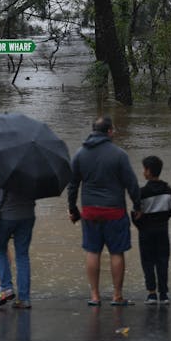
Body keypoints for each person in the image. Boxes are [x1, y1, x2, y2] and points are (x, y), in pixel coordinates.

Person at [67, 115, 141, 306]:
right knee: (116, 253)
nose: (114, 133)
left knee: (92, 252)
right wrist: (137, 206)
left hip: (90, 211)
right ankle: (117, 296)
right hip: (114, 211)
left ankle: (94, 296)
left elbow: (73, 185)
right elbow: (131, 184)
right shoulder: (119, 155)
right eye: (113, 130)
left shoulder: (80, 154)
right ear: (109, 132)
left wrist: (73, 209)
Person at [133, 156, 171, 305]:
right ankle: (163, 294)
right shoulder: (168, 190)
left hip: (146, 232)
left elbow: (136, 214)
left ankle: (151, 293)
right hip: (163, 230)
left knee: (148, 261)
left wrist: (141, 226)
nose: (143, 171)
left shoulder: (141, 192)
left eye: (144, 169)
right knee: (163, 261)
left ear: (149, 171)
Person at [0, 179, 37, 309]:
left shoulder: (2, 166)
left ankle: (6, 288)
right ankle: (24, 298)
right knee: (22, 255)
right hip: (28, 215)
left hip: (6, 215)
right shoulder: (35, 169)